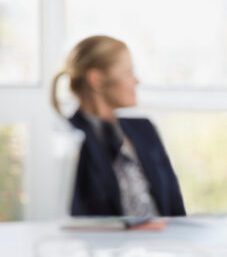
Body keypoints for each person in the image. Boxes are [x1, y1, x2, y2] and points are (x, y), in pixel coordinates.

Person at [52, 35, 185, 217]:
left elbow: (176, 207)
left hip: (164, 242)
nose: (136, 81)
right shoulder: (71, 139)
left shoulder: (144, 130)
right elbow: (77, 215)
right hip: (108, 245)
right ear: (96, 80)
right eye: (128, 72)